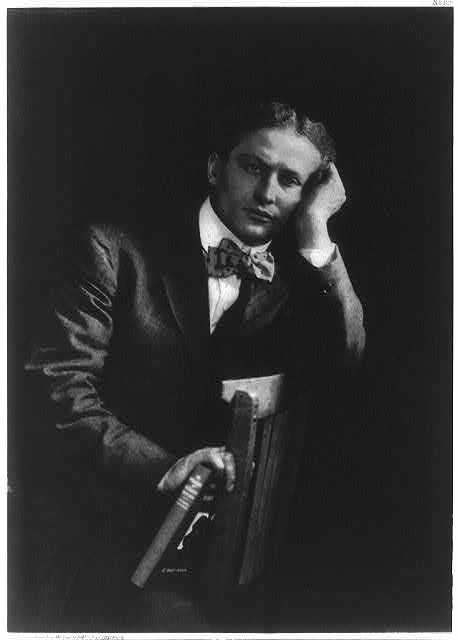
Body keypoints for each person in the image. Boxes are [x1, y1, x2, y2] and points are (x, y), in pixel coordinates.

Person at [24, 100, 365, 631]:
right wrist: (163, 469)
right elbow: (54, 392)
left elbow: (347, 365)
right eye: (253, 167)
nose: (268, 194)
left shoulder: (297, 283)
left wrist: (320, 238)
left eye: (290, 180)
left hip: (215, 564)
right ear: (215, 167)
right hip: (89, 542)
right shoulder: (113, 249)